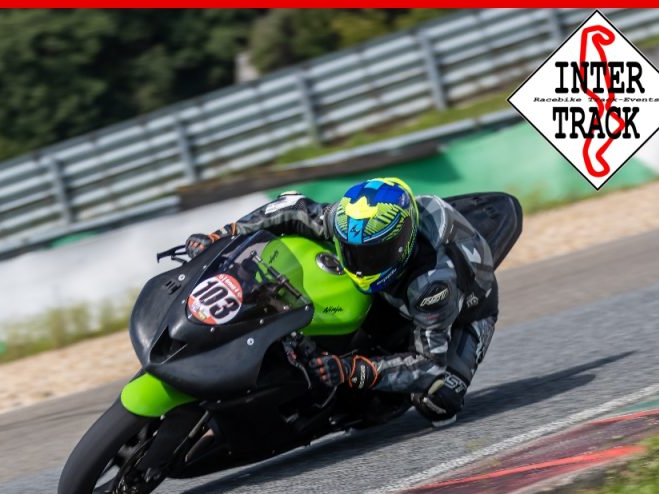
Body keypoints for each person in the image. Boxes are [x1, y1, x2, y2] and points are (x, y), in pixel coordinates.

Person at [185, 178, 497, 426]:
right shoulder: (350, 219)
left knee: (437, 400)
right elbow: (292, 208)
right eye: (352, 251)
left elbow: (428, 365)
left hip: (469, 310)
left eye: (372, 254)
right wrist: (222, 236)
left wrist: (351, 370)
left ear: (401, 246)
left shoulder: (431, 285)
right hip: (393, 290)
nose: (360, 264)